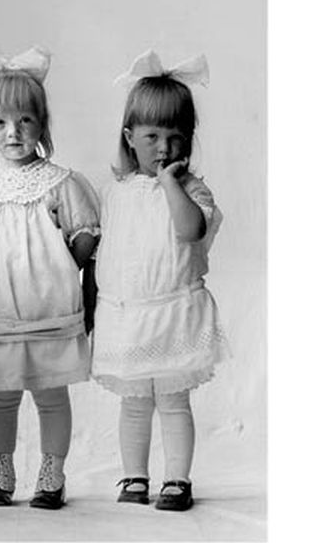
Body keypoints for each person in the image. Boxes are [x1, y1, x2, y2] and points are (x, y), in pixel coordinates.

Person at [0, 45, 99, 510]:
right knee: (1, 398)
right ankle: (1, 473)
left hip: (48, 308)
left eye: (24, 121)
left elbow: (84, 236)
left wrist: (56, 266)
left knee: (51, 396)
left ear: (41, 124)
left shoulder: (59, 182)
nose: (13, 132)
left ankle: (52, 474)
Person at [88, 50, 230, 511]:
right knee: (133, 402)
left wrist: (171, 184)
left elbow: (189, 231)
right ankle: (133, 478)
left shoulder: (193, 191)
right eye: (152, 136)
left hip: (173, 312)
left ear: (190, 140)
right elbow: (107, 255)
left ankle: (177, 479)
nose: (164, 147)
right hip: (126, 314)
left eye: (176, 136)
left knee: (171, 400)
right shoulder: (116, 192)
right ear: (130, 138)